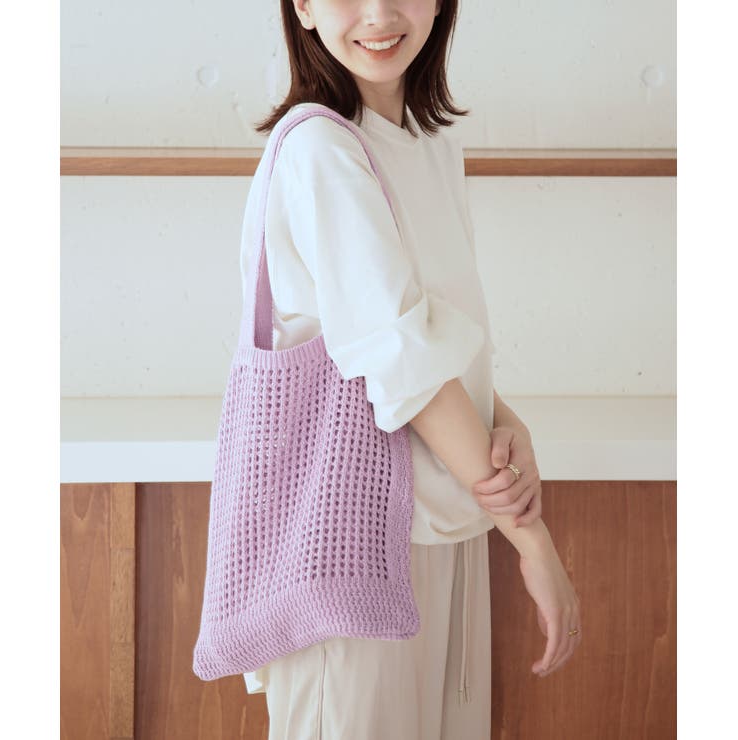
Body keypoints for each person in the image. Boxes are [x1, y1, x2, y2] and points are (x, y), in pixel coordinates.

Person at [237, 1, 582, 737]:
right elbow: (403, 365)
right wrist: (532, 540)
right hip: (354, 546)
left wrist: (504, 419)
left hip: (447, 521)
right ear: (302, 6)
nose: (379, 13)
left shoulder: (429, 147)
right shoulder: (320, 149)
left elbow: (424, 338)